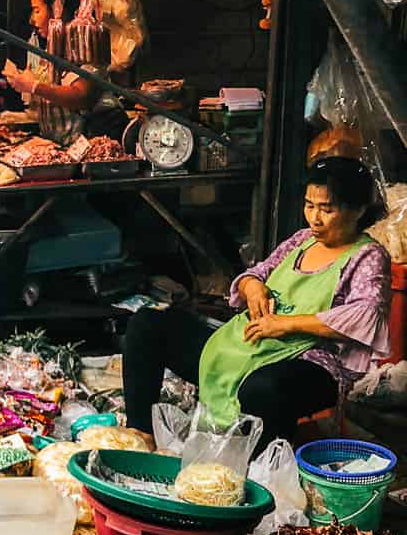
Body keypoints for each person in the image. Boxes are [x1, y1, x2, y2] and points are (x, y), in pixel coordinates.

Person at [123, 158, 390, 444]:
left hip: (310, 362)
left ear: (358, 210)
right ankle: (141, 435)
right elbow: (257, 272)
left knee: (261, 389)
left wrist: (285, 325)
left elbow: (366, 313)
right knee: (148, 324)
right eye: (309, 205)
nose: (314, 218)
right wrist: (253, 288)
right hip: (244, 347)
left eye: (327, 209)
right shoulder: (302, 240)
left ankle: (265, 468)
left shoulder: (368, 256)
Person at [0, 0, 99, 146]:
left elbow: (81, 96)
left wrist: (34, 86)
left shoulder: (82, 48)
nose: (32, 20)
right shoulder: (49, 52)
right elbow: (54, 103)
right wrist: (24, 113)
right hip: (57, 146)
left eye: (37, 11)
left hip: (86, 144)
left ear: (57, 9)